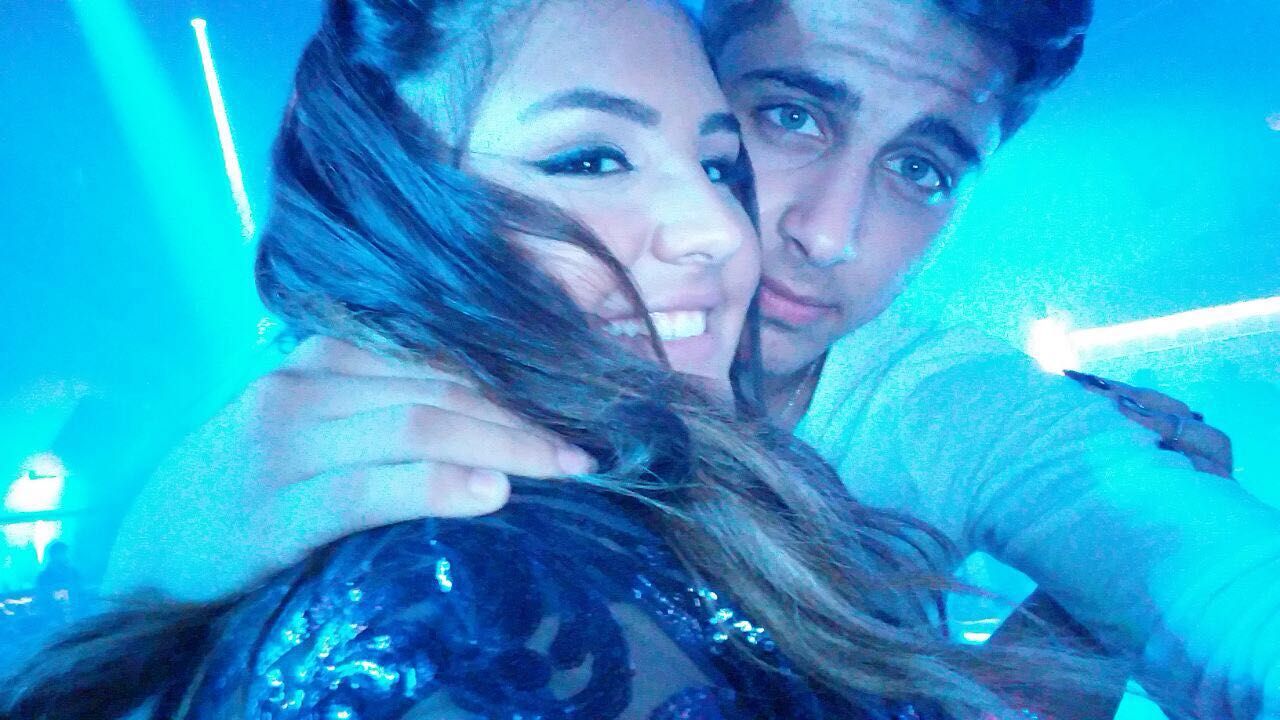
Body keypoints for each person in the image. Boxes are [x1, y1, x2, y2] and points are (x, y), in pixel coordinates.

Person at [103, 0, 1280, 717]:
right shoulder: (386, 517)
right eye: (788, 117)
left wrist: (1090, 620)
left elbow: (1215, 583)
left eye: (919, 169)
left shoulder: (939, 398)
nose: (821, 232)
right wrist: (149, 598)